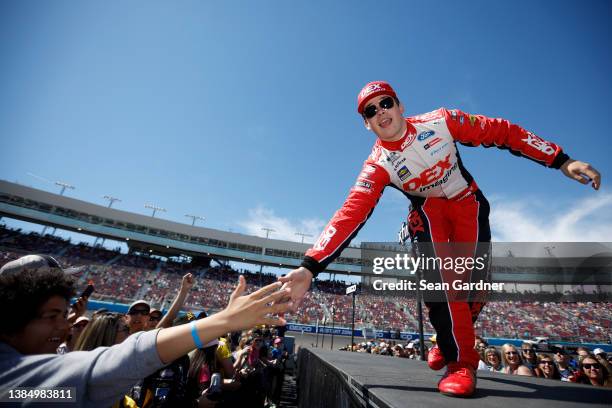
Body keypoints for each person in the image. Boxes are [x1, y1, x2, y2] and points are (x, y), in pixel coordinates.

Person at [277, 80, 602, 398]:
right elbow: (349, 214)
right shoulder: (376, 166)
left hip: (468, 204)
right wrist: (310, 267)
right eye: (371, 111)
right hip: (428, 215)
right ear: (367, 124)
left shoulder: (443, 121)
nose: (381, 112)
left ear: (401, 106)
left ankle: (445, 341)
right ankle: (460, 363)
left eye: (386, 103)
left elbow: (504, 131)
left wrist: (560, 159)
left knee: (475, 289)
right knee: (443, 285)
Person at [0, 254, 290, 407]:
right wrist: (223, 322)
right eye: (52, 315)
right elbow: (114, 364)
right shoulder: (15, 387)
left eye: (65, 314)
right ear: (11, 316)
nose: (64, 326)